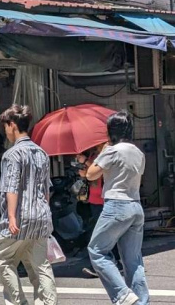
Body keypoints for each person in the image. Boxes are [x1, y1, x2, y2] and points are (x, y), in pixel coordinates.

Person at [0, 104, 58, 305]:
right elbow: (46, 190)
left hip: (20, 217)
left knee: (3, 260)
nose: (6, 131)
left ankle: (19, 302)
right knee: (41, 265)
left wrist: (11, 216)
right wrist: (44, 212)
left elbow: (10, 187)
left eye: (5, 126)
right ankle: (48, 302)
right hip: (41, 216)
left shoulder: (11, 155)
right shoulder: (41, 153)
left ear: (12, 125)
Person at [84, 111, 148, 305]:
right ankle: (141, 301)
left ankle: (122, 294)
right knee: (133, 260)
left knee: (96, 250)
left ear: (111, 130)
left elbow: (91, 174)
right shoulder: (138, 152)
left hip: (116, 206)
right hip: (135, 206)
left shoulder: (112, 150)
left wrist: (103, 151)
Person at [77, 144, 120, 278]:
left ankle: (106, 265)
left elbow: (101, 170)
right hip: (94, 199)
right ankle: (112, 263)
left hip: (104, 199)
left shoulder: (107, 154)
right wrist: (84, 173)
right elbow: (91, 174)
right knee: (99, 232)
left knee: (102, 234)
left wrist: (85, 161)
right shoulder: (93, 154)